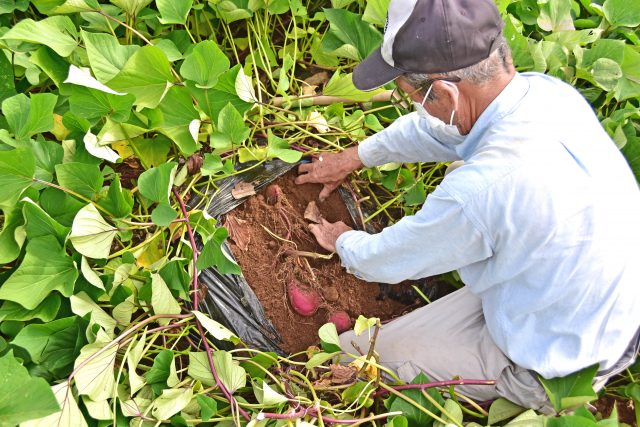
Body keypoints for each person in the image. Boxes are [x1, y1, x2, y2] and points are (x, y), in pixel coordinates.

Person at [295, 0, 640, 412]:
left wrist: (343, 239)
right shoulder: (547, 95)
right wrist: (355, 157)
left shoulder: (483, 190)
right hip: (579, 294)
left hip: (559, 361)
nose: (419, 109)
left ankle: (530, 397)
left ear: (443, 91)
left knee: (348, 354)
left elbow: (384, 261)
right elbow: (438, 132)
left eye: (414, 97)